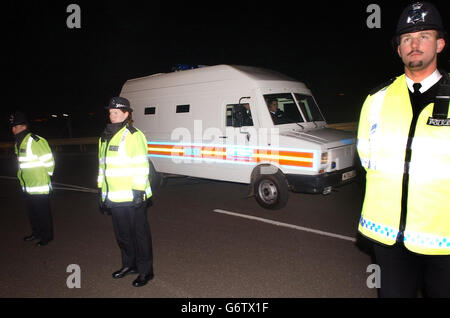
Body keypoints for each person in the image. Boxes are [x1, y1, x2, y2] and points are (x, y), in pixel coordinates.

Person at [357, 1, 449, 297]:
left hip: (444, 240)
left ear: (440, 44)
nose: (414, 44)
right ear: (398, 49)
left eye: (424, 36)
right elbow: (366, 156)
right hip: (388, 240)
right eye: (406, 39)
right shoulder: (377, 100)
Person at [98, 96, 154, 287]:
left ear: (126, 114)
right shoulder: (105, 136)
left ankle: (146, 271)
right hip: (115, 196)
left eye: (116, 112)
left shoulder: (133, 135)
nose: (112, 116)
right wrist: (102, 193)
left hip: (132, 195)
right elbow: (103, 169)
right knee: (123, 235)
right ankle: (129, 265)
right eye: (110, 112)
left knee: (139, 235)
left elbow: (141, 165)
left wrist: (138, 192)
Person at [9, 111, 55, 247]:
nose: (13, 129)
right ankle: (36, 233)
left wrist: (45, 177)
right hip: (27, 184)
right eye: (12, 126)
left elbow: (49, 162)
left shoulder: (35, 141)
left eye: (16, 126)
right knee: (32, 213)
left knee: (42, 213)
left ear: (24, 127)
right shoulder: (18, 143)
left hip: (39, 185)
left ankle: (47, 237)